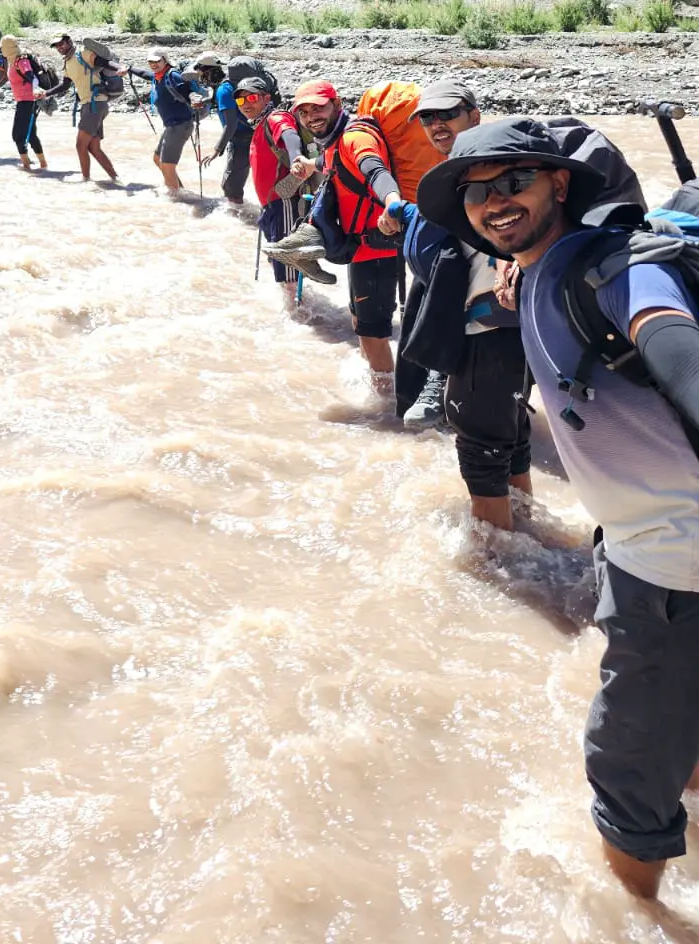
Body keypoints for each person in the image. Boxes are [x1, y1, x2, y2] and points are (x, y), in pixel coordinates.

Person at [418, 119, 699, 900]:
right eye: (478, 190)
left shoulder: (614, 267)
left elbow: (670, 340)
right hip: (638, 541)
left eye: (516, 182)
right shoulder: (539, 270)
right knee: (679, 717)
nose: (495, 202)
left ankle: (634, 909)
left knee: (625, 769)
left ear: (560, 185)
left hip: (674, 563)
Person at [394, 81, 531, 522]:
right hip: (511, 336)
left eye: (446, 115)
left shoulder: (486, 173)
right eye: (427, 119)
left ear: (474, 115)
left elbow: (522, 227)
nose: (436, 125)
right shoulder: (468, 171)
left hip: (487, 335)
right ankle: (526, 526)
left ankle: (499, 565)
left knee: (482, 453)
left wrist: (517, 261)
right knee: (512, 438)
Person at [295, 79, 403, 400]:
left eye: (319, 107)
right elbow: (331, 164)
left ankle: (385, 405)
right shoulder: (333, 141)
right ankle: (370, 379)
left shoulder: (355, 137)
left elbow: (375, 170)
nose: (312, 115)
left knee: (373, 335)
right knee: (360, 324)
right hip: (361, 252)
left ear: (337, 105)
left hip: (377, 253)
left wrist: (393, 202)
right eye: (304, 111)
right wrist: (309, 165)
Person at [236, 77, 318, 308]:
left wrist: (296, 160)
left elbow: (290, 136)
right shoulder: (260, 124)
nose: (245, 103)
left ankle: (297, 314)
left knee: (288, 264)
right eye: (241, 99)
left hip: (285, 202)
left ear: (266, 98)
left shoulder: (275, 118)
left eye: (251, 97)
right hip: (271, 205)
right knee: (276, 257)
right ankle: (296, 306)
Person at [49, 32, 119, 184]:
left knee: (80, 145)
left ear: (69, 41)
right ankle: (115, 179)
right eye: (56, 46)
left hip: (94, 104)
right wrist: (46, 94)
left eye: (61, 44)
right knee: (93, 148)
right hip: (91, 105)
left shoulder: (82, 53)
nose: (59, 48)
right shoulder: (67, 62)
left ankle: (85, 180)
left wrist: (120, 68)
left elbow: (104, 62)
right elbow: (65, 85)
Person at [138, 48, 203, 193]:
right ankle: (179, 191)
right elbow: (145, 74)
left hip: (180, 125)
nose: (153, 64)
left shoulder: (172, 75)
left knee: (167, 165)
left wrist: (194, 98)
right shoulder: (158, 76)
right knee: (157, 159)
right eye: (150, 61)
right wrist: (129, 69)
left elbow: (188, 90)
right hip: (171, 126)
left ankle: (176, 199)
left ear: (165, 61)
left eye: (157, 61)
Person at [196, 53, 252, 205]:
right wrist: (205, 101)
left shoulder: (224, 90)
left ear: (208, 71)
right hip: (251, 137)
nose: (200, 78)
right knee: (233, 183)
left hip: (241, 140)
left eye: (201, 73)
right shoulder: (227, 85)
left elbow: (231, 124)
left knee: (231, 187)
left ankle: (237, 217)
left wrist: (216, 150)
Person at [2, 35, 48, 171]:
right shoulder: (13, 61)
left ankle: (27, 165)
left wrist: (36, 89)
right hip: (23, 101)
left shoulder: (21, 61)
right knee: (31, 134)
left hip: (28, 102)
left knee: (17, 134)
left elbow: (30, 76)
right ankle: (42, 165)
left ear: (7, 49)